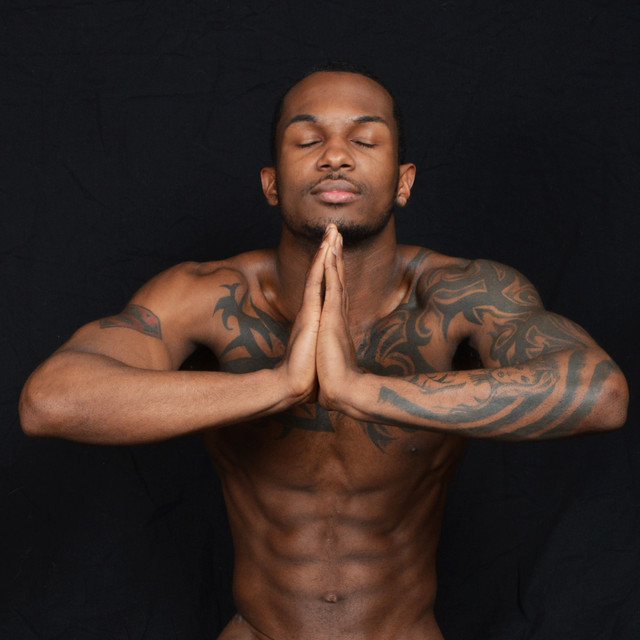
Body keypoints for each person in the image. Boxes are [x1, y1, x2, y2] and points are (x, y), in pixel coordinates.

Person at [19, 64, 629, 640]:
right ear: (271, 183)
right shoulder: (205, 296)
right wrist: (278, 384)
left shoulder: (463, 297)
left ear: (404, 181)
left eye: (365, 140)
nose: (335, 155)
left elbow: (600, 393)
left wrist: (361, 390)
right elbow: (50, 400)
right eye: (308, 140)